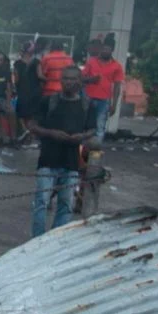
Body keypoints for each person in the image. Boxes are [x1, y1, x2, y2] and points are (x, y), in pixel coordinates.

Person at [25, 65, 92, 237]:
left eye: (72, 79)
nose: (68, 82)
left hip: (71, 162)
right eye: (65, 78)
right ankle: (37, 240)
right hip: (48, 159)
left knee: (66, 204)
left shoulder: (86, 104)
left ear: (80, 81)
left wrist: (81, 137)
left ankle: (56, 239)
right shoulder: (49, 101)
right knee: (41, 202)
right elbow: (32, 125)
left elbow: (92, 129)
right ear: (61, 81)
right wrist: (51, 133)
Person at [81, 40, 123, 140]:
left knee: (100, 126)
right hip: (88, 98)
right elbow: (81, 78)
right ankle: (81, 150)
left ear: (112, 50)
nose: (105, 51)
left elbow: (117, 86)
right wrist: (90, 79)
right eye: (103, 49)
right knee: (84, 124)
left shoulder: (117, 66)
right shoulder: (91, 61)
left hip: (104, 100)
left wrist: (114, 104)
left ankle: (95, 152)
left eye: (108, 49)